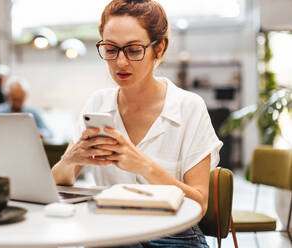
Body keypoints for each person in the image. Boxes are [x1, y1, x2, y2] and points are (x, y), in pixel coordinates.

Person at [52, 0, 222, 247]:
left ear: (159, 48)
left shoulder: (188, 107)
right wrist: (70, 160)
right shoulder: (97, 103)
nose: (120, 62)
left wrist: (143, 165)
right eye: (111, 49)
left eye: (133, 50)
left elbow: (200, 203)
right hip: (111, 231)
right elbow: (56, 186)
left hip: (174, 233)